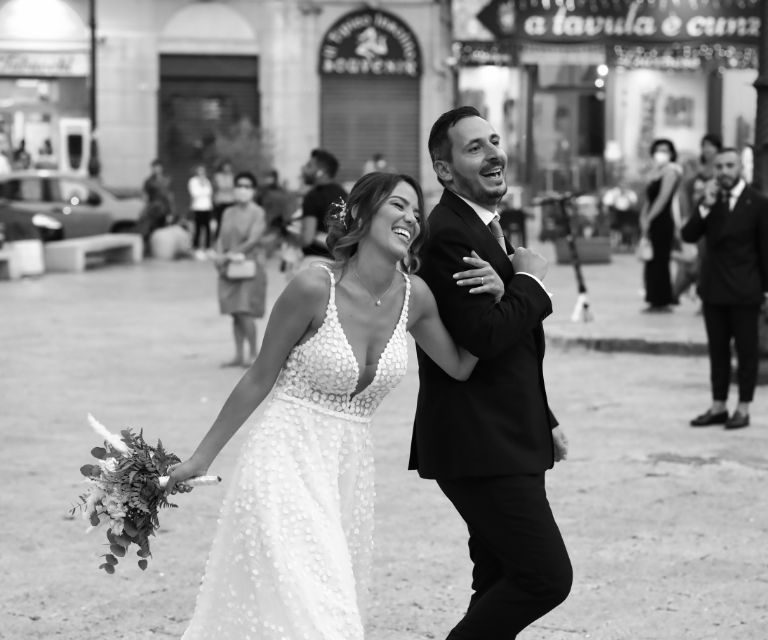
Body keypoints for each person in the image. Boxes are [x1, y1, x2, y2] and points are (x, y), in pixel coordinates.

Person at [166, 171, 506, 639]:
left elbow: (462, 366)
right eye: (397, 205)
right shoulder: (312, 286)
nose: (410, 217)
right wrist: (200, 459)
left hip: (347, 475)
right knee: (321, 616)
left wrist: (507, 294)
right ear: (362, 214)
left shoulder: (417, 297)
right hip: (282, 461)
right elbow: (259, 377)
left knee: (314, 606)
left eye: (415, 210)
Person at [411, 105, 572, 639]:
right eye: (474, 147)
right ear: (445, 169)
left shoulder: (483, 226)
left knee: (500, 577)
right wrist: (530, 281)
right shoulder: (450, 235)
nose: (494, 153)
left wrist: (542, 415)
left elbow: (505, 337)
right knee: (545, 577)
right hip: (480, 441)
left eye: (494, 141)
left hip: (507, 429)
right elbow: (482, 337)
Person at [681, 148, 768, 430]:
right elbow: (688, 235)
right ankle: (718, 406)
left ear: (741, 169)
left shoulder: (759, 204)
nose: (724, 171)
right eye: (719, 166)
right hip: (714, 289)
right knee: (717, 351)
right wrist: (704, 206)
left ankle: (744, 407)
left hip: (745, 291)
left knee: (747, 352)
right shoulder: (711, 201)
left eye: (729, 165)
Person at [213, 172, 268, 367]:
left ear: (253, 190)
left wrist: (229, 255)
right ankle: (238, 355)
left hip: (248, 267)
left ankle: (253, 354)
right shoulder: (228, 212)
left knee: (244, 311)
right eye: (239, 185)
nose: (242, 190)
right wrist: (219, 256)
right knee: (234, 312)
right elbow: (220, 237)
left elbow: (253, 239)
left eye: (247, 186)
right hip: (228, 268)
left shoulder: (258, 212)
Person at [675, 133, 722, 304]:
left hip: (715, 223)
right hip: (698, 220)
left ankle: (704, 294)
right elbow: (685, 194)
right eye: (705, 145)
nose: (707, 149)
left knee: (707, 260)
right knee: (696, 259)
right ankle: (684, 292)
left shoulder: (721, 172)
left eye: (711, 145)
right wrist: (687, 217)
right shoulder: (695, 172)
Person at [640, 138, 683, 312]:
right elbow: (648, 200)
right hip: (651, 220)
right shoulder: (654, 173)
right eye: (658, 150)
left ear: (672, 153)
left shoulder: (671, 172)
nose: (661, 153)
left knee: (660, 261)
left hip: (663, 221)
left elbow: (663, 198)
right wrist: (643, 219)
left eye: (665, 150)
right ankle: (652, 299)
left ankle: (663, 300)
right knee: (650, 261)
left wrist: (649, 219)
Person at [300, 149, 348, 264]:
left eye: (309, 166)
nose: (304, 169)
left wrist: (294, 237)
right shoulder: (343, 194)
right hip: (341, 262)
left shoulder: (312, 197)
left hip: (315, 260)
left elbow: (307, 239)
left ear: (321, 172)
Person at [139, 159, 174, 247]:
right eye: (154, 167)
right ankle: (150, 247)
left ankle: (162, 247)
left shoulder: (167, 179)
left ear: (161, 168)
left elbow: (170, 196)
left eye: (157, 167)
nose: (156, 169)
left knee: (163, 229)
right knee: (152, 229)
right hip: (153, 209)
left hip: (165, 209)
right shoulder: (148, 181)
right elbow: (145, 196)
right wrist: (144, 209)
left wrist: (171, 211)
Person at [187, 164, 214, 257]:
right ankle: (196, 247)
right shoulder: (193, 181)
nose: (201, 173)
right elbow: (195, 193)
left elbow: (209, 192)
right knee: (198, 228)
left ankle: (208, 247)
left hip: (207, 207)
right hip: (197, 208)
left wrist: (203, 189)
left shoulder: (207, 181)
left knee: (207, 228)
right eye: (199, 171)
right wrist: (203, 189)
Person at [211, 161, 235, 241]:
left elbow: (232, 188)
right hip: (220, 201)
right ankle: (218, 239)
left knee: (230, 222)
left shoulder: (232, 176)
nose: (227, 168)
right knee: (220, 221)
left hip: (230, 201)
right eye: (225, 166)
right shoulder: (218, 176)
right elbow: (218, 187)